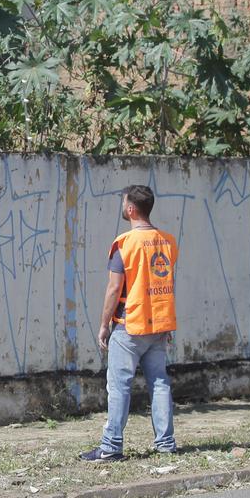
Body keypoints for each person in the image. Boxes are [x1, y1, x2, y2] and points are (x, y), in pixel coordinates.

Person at [81, 185, 179, 462]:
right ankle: (166, 444)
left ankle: (111, 446)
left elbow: (114, 290)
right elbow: (164, 282)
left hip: (129, 325)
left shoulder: (124, 244)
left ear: (131, 209)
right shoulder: (168, 241)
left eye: (124, 203)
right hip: (159, 325)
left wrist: (103, 326)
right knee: (159, 383)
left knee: (119, 386)